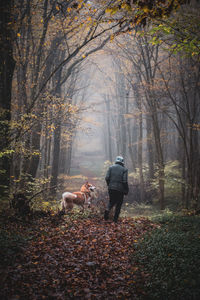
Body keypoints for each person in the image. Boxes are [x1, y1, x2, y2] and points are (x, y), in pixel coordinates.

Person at [104, 156, 129, 223]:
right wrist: (126, 189)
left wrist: (109, 185)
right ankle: (115, 220)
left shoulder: (111, 167)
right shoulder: (124, 169)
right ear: (122, 162)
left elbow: (107, 178)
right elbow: (124, 181)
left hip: (111, 188)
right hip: (120, 190)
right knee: (119, 204)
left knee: (111, 201)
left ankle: (107, 209)